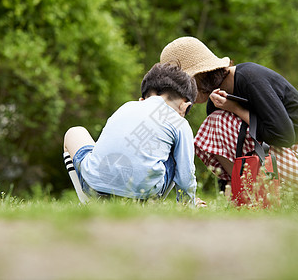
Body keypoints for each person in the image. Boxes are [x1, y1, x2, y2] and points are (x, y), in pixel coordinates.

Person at [160, 36, 298, 200]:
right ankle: (243, 195)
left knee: (215, 123)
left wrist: (235, 108)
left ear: (202, 74)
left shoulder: (250, 78)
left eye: (185, 84)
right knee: (211, 130)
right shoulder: (215, 102)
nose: (183, 93)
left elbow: (284, 135)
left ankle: (244, 193)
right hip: (281, 166)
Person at [63, 63, 206, 206]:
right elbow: (185, 175)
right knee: (178, 154)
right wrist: (189, 205)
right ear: (184, 106)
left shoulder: (126, 106)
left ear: (142, 99)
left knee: (75, 132)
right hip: (145, 196)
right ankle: (161, 205)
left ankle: (88, 200)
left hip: (93, 185)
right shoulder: (179, 122)